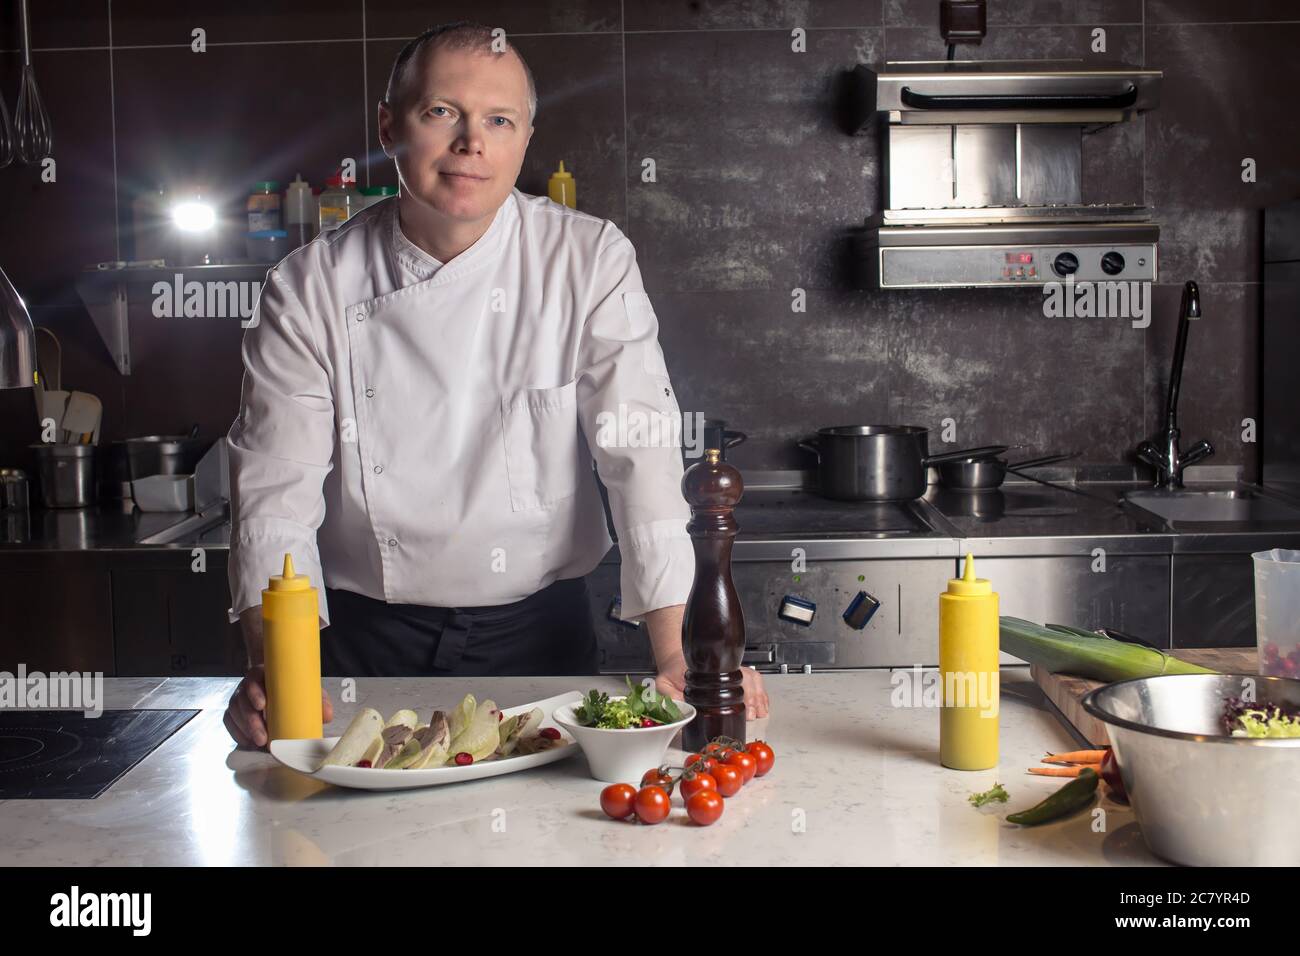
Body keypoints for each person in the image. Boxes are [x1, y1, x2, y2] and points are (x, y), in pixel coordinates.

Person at [222, 22, 770, 749]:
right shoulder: (308, 286)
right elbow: (274, 493)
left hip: (542, 642)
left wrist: (678, 652)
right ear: (389, 126)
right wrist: (273, 664)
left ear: (525, 137)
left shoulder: (588, 259)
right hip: (361, 651)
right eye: (441, 112)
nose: (471, 142)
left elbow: (638, 455)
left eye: (498, 120)